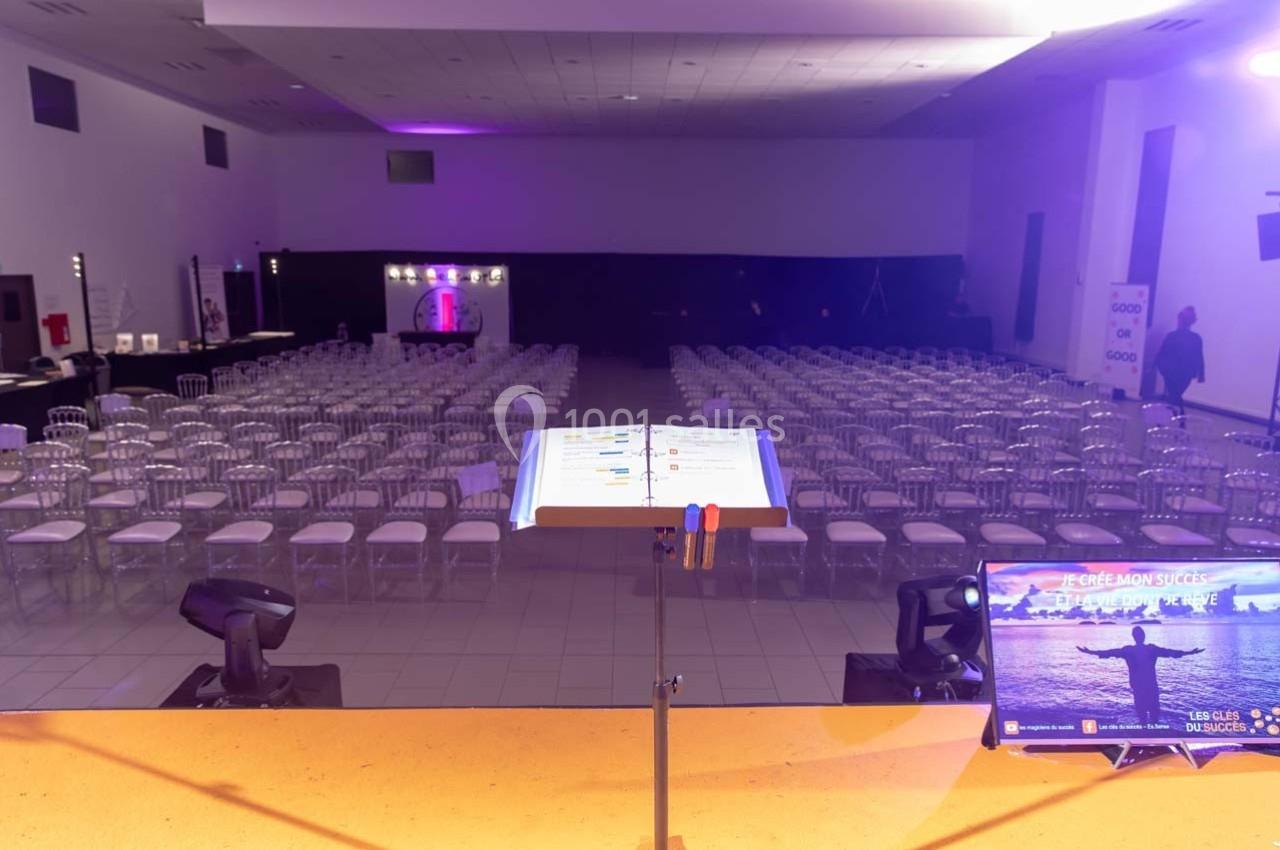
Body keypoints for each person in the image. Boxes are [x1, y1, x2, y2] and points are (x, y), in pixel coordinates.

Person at [1077, 626, 1204, 723]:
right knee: (1154, 714)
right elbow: (1171, 653)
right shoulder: (1151, 649)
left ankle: (1145, 731)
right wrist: (1189, 653)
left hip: (1138, 687)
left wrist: (1090, 652)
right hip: (1150, 686)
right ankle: (1153, 734)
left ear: (1134, 637)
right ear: (1143, 636)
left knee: (1142, 714)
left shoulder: (1129, 651)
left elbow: (1108, 652)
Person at [1154, 306, 1205, 415]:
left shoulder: (1172, 336)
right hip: (1182, 373)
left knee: (1174, 395)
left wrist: (1156, 366)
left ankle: (1167, 419)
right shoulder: (1195, 338)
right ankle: (1177, 419)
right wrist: (1200, 374)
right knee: (1175, 395)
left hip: (1172, 372)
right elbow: (1199, 357)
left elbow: (1161, 353)